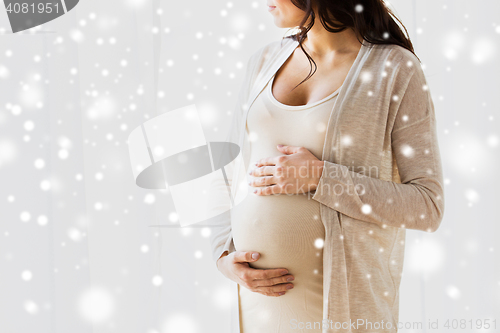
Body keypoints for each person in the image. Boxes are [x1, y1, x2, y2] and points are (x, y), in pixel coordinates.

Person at [209, 1, 445, 332]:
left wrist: (322, 177)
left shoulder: (394, 69)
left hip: (345, 313)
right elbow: (228, 169)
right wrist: (223, 256)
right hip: (259, 309)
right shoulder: (262, 62)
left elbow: (427, 206)